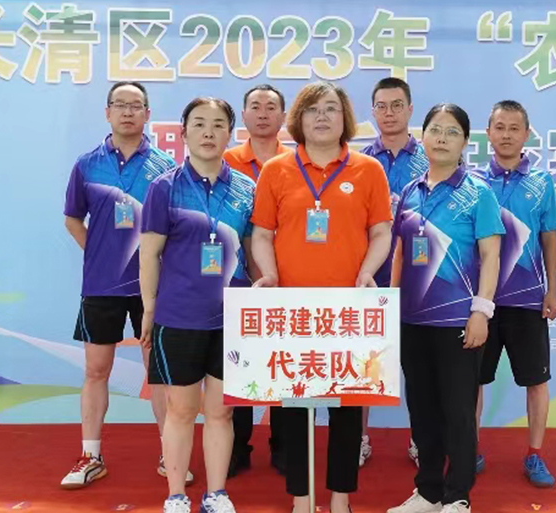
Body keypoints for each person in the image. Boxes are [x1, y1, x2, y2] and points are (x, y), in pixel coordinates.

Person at [251, 81, 392, 513]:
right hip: (293, 309)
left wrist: (367, 272)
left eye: (331, 108)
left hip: (349, 309)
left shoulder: (368, 170)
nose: (322, 117)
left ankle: (340, 499)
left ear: (345, 118)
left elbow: (381, 232)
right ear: (299, 119)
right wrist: (269, 275)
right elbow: (261, 234)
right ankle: (301, 498)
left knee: (348, 408)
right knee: (295, 409)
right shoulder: (277, 169)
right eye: (313, 109)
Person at [61, 81, 193, 489]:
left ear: (148, 114)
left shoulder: (167, 168)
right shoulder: (87, 164)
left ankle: (169, 454)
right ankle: (91, 456)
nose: (128, 112)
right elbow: (72, 219)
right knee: (96, 369)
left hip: (153, 288)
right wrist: (100, 254)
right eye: (120, 105)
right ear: (107, 112)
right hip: (101, 286)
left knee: (159, 373)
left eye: (136, 106)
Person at [140, 97, 257, 513]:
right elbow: (149, 254)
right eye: (200, 124)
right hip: (179, 316)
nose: (209, 132)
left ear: (230, 133)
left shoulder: (246, 188)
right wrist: (150, 310)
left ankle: (217, 493)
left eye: (218, 124)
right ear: (184, 132)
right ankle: (175, 494)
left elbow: (253, 251)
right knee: (181, 410)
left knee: (221, 412)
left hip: (231, 317)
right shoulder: (164, 187)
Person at [387, 103, 504, 513]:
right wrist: (390, 306)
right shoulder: (410, 192)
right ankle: (428, 491)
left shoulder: (478, 192)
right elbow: (401, 253)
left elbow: (491, 256)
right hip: (412, 321)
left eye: (452, 132)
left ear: (465, 142)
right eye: (435, 130)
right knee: (422, 411)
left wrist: (481, 311)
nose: (442, 138)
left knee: (458, 413)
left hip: (458, 321)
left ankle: (457, 496)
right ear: (423, 137)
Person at [475, 100, 556, 487]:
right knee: (472, 382)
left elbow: (550, 240)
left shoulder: (541, 182)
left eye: (514, 128)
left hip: (527, 300)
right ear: (488, 133)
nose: (506, 135)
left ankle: (535, 454)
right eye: (500, 127)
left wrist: (552, 291)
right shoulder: (473, 181)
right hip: (482, 302)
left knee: (536, 382)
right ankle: (469, 451)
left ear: (527, 134)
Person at [359, 77, 429, 468]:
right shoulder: (359, 162)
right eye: (382, 106)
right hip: (370, 278)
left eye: (397, 105)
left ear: (410, 109)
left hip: (420, 280)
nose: (389, 113)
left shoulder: (430, 159)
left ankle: (421, 439)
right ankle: (359, 439)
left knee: (418, 368)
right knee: (365, 365)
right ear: (372, 112)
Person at [223, 84, 290, 477]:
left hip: (288, 280)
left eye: (271, 107)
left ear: (284, 117)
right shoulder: (226, 160)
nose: (263, 114)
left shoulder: (297, 162)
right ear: (244, 115)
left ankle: (284, 446)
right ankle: (236, 447)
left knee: (283, 365)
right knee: (240, 366)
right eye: (255, 107)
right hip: (237, 282)